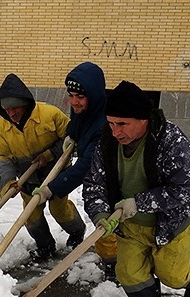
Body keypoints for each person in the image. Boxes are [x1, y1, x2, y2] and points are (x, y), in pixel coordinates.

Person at [82, 80, 190, 297]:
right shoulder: (107, 142)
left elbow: (181, 191)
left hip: (169, 224)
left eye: (122, 124)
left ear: (143, 119)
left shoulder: (171, 140)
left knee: (173, 275)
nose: (115, 131)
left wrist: (138, 202)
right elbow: (94, 182)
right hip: (130, 226)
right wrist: (100, 213)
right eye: (111, 123)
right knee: (129, 273)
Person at [0, 73, 86, 261]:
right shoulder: (1, 127)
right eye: (7, 109)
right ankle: (45, 246)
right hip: (29, 178)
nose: (11, 113)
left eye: (15, 108)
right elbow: (3, 158)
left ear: (25, 103)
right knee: (31, 215)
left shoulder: (50, 115)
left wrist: (49, 154)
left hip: (57, 174)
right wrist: (8, 182)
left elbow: (71, 140)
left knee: (58, 209)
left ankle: (77, 231)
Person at [43, 61, 118, 282]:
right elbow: (76, 124)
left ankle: (112, 265)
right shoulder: (84, 109)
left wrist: (51, 189)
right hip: (96, 175)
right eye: (71, 95)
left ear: (93, 95)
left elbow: (85, 166)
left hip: (110, 178)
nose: (74, 102)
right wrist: (71, 136)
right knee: (102, 220)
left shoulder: (104, 123)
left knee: (106, 224)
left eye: (80, 97)